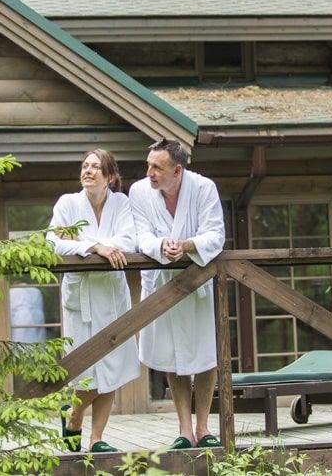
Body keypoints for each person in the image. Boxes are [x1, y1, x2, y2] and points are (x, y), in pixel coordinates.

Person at [128, 138, 225, 449]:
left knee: (206, 354)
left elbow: (216, 234)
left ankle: (204, 427)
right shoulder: (139, 191)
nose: (150, 173)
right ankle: (184, 429)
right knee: (171, 355)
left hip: (197, 281)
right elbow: (140, 235)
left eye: (157, 168)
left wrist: (186, 245)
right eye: (148, 166)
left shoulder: (204, 188)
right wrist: (162, 246)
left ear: (177, 170)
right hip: (161, 283)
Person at [47, 149, 139, 453]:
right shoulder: (67, 203)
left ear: (109, 177)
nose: (87, 171)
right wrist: (97, 247)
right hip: (81, 296)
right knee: (86, 369)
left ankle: (96, 438)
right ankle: (74, 417)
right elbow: (54, 242)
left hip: (112, 295)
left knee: (112, 367)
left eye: (95, 167)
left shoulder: (121, 203)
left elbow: (129, 241)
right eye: (85, 166)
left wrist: (80, 243)